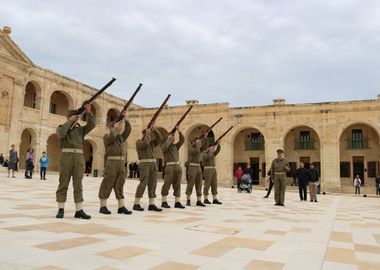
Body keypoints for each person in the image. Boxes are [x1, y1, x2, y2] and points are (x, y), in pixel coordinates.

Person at [55, 103, 95, 219]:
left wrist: (88, 112)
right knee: (63, 183)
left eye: (78, 118)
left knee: (78, 184)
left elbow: (92, 125)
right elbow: (61, 133)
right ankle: (61, 208)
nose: (78, 119)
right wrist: (70, 121)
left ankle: (79, 210)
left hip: (78, 158)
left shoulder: (80, 130)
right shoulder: (62, 127)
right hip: (66, 156)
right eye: (76, 117)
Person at [98, 111, 132, 215]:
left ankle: (121, 206)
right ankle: (103, 206)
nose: (120, 127)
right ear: (112, 127)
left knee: (120, 184)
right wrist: (115, 129)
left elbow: (128, 130)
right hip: (112, 162)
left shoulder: (120, 138)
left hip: (121, 163)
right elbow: (110, 138)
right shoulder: (107, 136)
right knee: (107, 183)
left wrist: (126, 120)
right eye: (118, 126)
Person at [133, 124, 163, 212]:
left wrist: (155, 130)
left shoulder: (151, 143)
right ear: (144, 134)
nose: (151, 135)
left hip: (153, 164)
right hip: (145, 164)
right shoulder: (139, 142)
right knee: (143, 183)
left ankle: (152, 204)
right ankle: (136, 203)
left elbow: (160, 139)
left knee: (153, 184)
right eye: (150, 133)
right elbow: (145, 144)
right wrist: (148, 135)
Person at [160, 125, 186, 209]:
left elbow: (182, 140)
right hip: (170, 166)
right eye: (171, 137)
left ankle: (177, 202)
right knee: (167, 184)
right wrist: (168, 139)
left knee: (177, 184)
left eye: (173, 137)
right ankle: (164, 201)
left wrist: (179, 131)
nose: (173, 138)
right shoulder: (165, 146)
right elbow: (164, 147)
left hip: (177, 166)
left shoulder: (175, 146)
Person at [186, 132, 209, 207]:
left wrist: (205, 138)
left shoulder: (198, 148)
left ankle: (198, 200)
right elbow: (196, 150)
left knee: (199, 184)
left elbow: (205, 147)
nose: (197, 143)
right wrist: (198, 143)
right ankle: (188, 199)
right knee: (190, 184)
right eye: (195, 141)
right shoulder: (191, 149)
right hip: (192, 167)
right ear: (192, 143)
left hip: (198, 167)